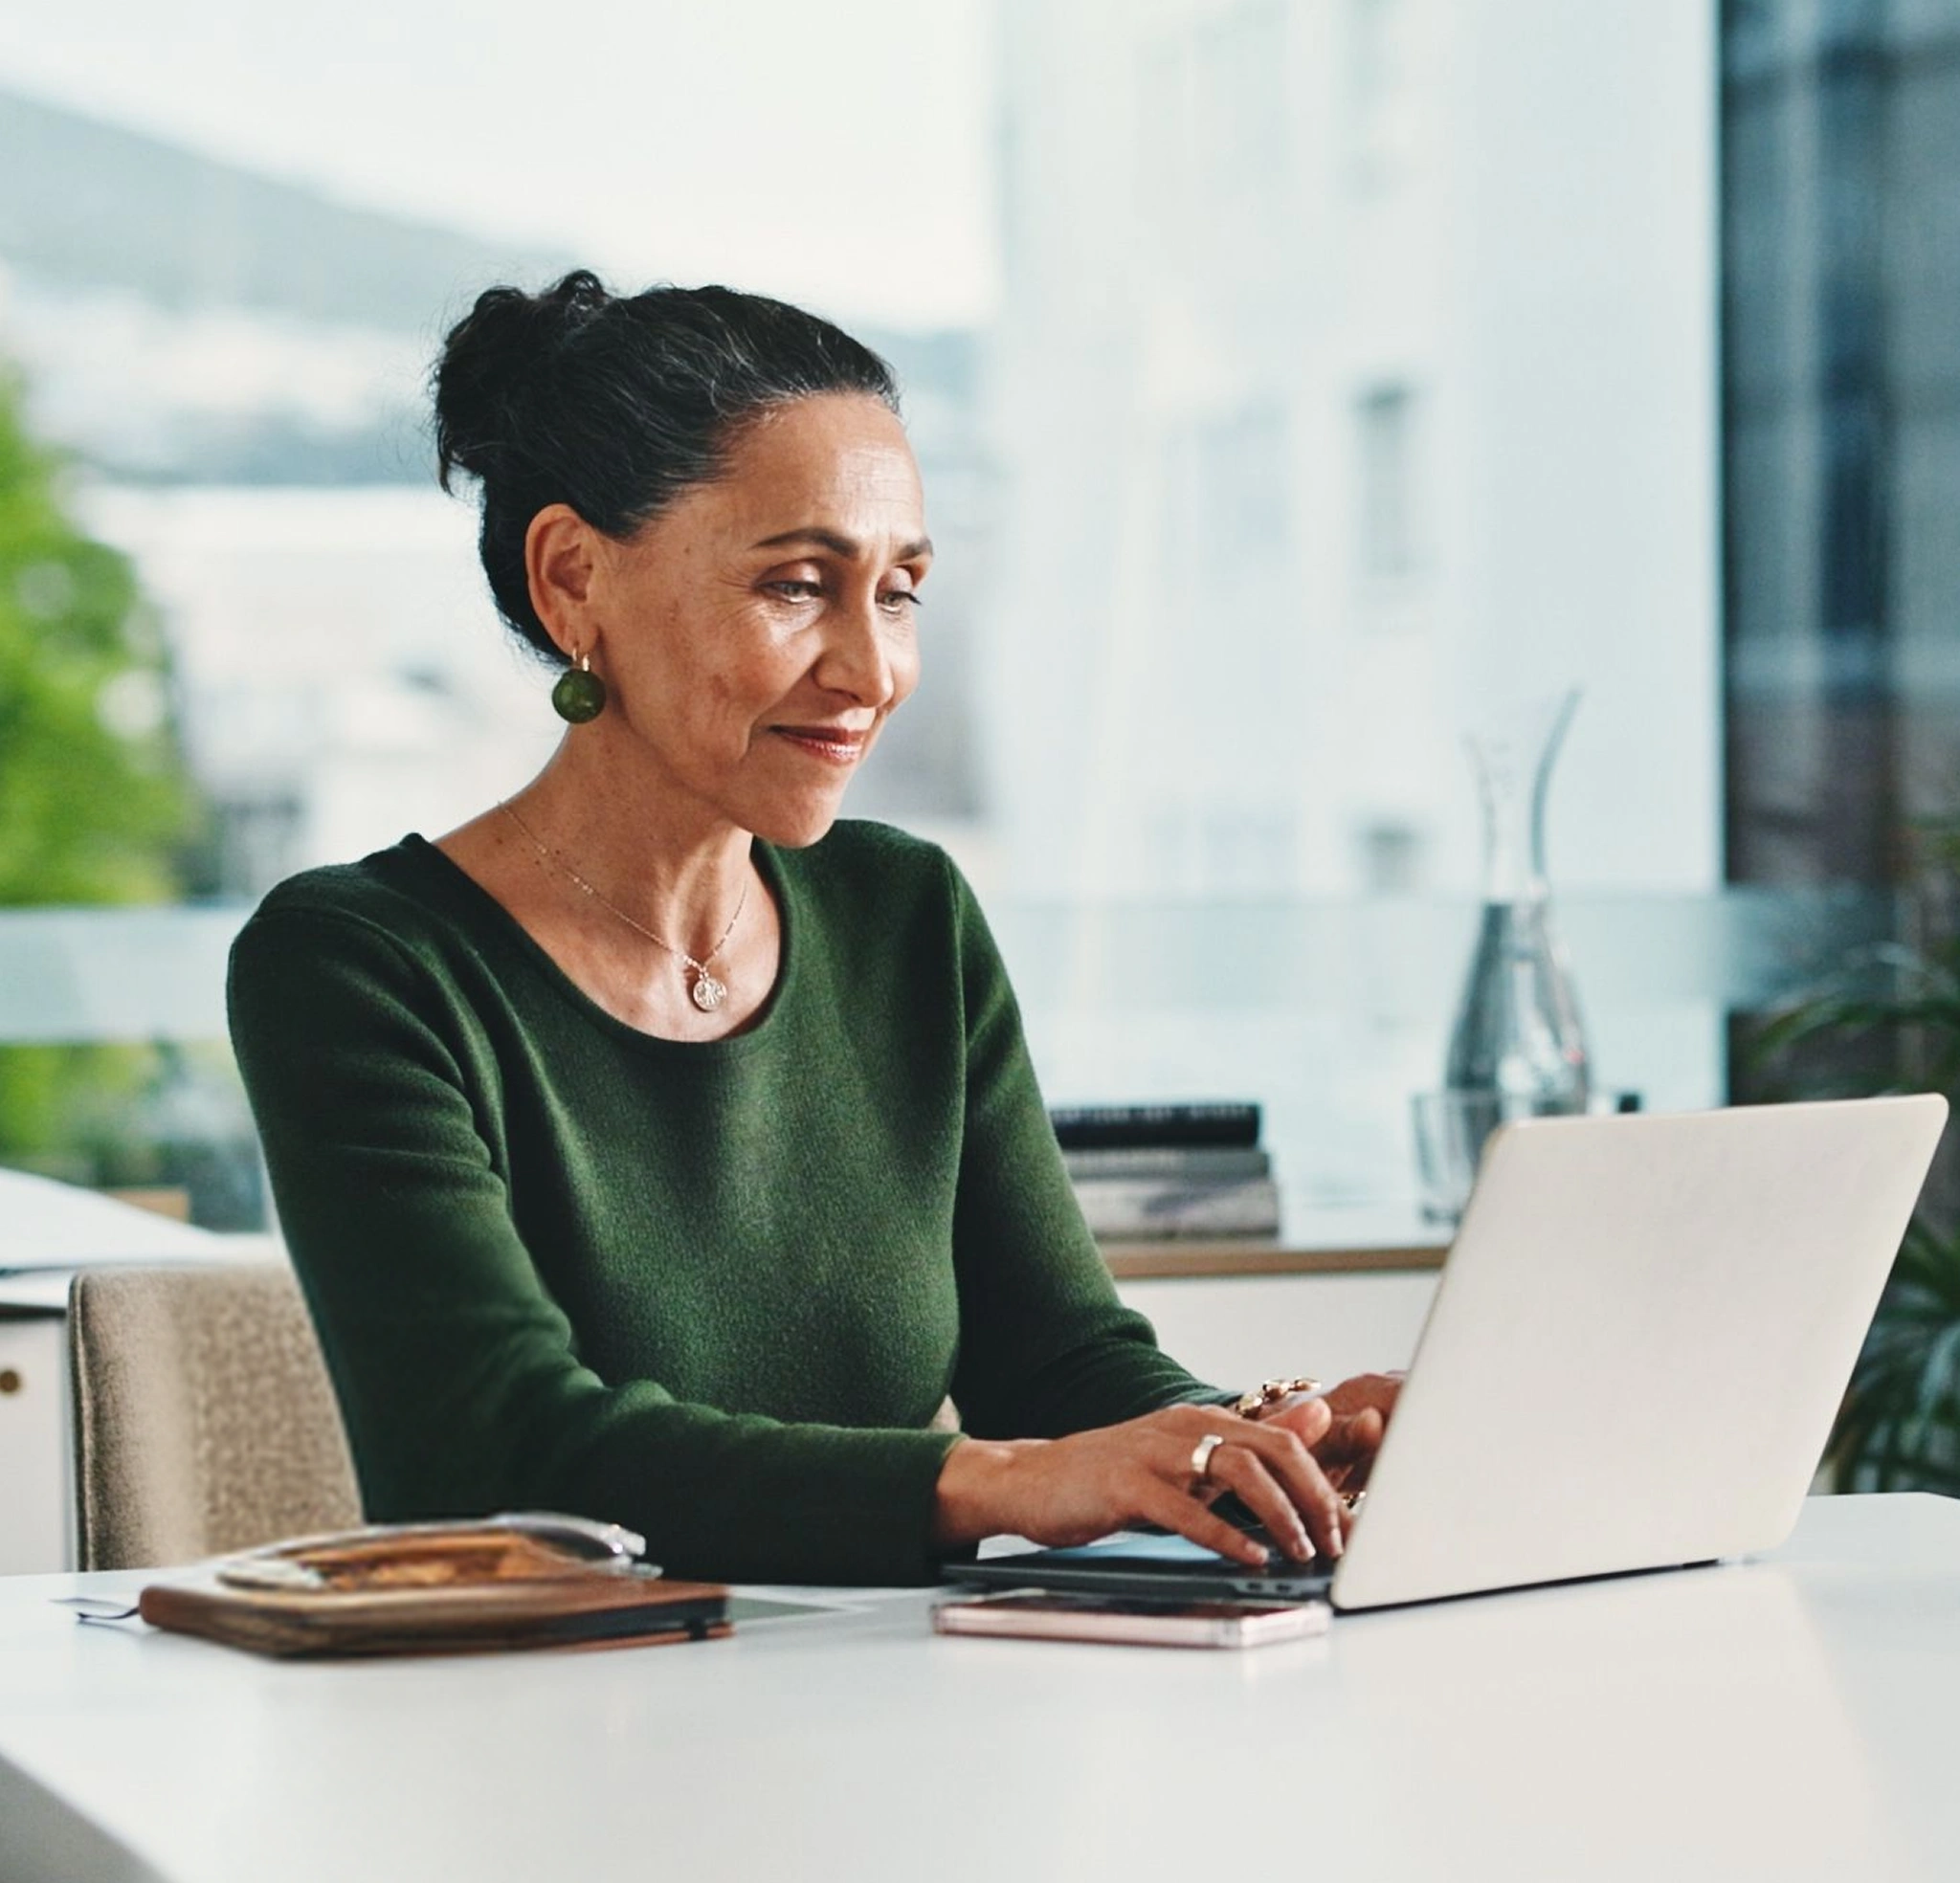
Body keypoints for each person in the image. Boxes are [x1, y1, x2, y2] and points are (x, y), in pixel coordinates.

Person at [227, 271, 1399, 1586]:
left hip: (890, 1703)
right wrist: (998, 1480)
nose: (874, 668)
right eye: (797, 584)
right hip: (554, 1739)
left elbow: (1059, 1357)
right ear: (573, 581)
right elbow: (497, 1449)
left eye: (900, 591)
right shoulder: (362, 965)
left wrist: (1263, 1444)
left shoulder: (905, 914)